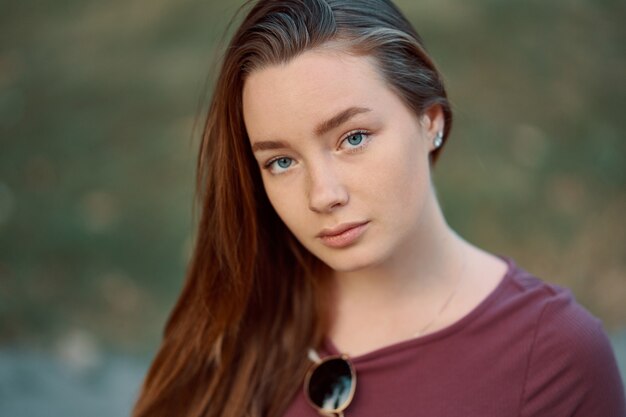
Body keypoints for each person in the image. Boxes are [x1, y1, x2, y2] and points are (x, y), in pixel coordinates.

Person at [132, 1, 625, 416]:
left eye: (353, 137)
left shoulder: (555, 356)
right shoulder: (239, 319)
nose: (323, 195)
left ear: (429, 120)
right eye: (281, 161)